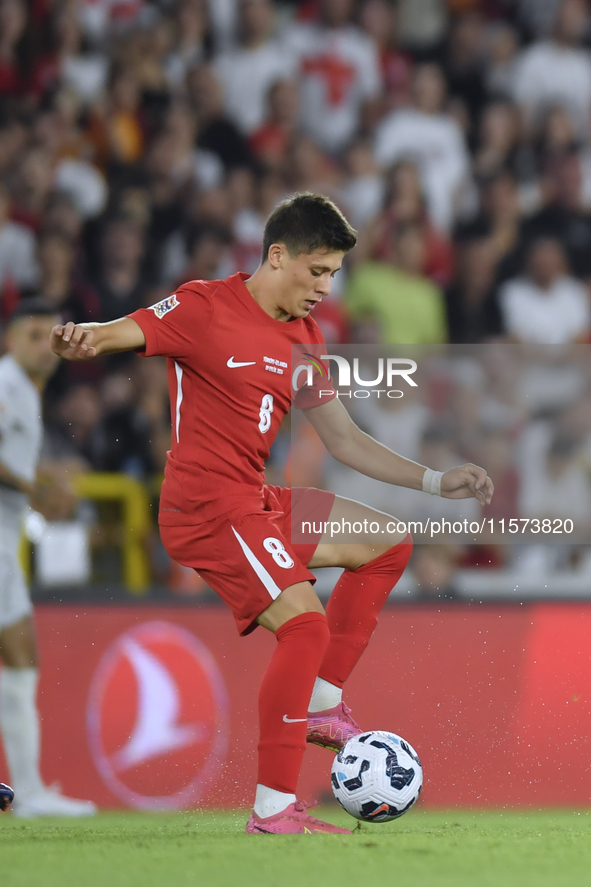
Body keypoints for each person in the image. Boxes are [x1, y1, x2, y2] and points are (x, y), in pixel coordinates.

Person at [51, 193, 493, 835]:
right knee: (305, 628)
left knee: (388, 544)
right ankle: (273, 809)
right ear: (277, 255)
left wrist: (434, 479)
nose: (324, 288)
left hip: (252, 500)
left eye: (334, 275)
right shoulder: (204, 305)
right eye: (317, 271)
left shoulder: (305, 337)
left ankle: (321, 703)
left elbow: (343, 439)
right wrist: (83, 339)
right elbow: (124, 330)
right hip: (206, 505)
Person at [0, 299, 97, 817]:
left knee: (19, 656)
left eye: (49, 336)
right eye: (32, 335)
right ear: (10, 341)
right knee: (17, 656)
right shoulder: (4, 385)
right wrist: (34, 485)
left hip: (5, 543)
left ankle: (30, 792)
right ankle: (30, 792)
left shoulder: (27, 392)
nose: (44, 345)